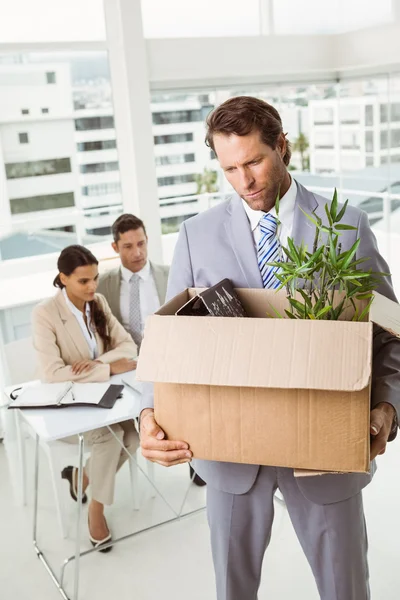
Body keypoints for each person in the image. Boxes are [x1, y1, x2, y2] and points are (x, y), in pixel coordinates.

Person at [139, 96, 400, 599]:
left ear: (282, 146)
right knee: (232, 591)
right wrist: (149, 413)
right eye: (230, 169)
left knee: (346, 589)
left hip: (327, 449)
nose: (245, 181)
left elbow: (389, 330)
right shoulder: (196, 235)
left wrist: (388, 404)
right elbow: (169, 339)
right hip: (229, 455)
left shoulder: (346, 225)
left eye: (255, 161)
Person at [32, 245, 139, 553]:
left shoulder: (98, 302)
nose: (92, 286)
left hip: (105, 399)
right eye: (83, 281)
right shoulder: (44, 314)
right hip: (69, 405)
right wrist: (106, 368)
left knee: (132, 438)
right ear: (63, 279)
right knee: (111, 439)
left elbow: (128, 346)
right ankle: (96, 510)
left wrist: (99, 365)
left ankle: (80, 477)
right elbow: (52, 373)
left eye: (94, 278)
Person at [97, 213, 206, 486]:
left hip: (166, 360)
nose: (138, 252)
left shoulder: (170, 276)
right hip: (127, 366)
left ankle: (196, 458)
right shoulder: (103, 285)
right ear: (114, 248)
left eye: (142, 244)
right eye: (128, 246)